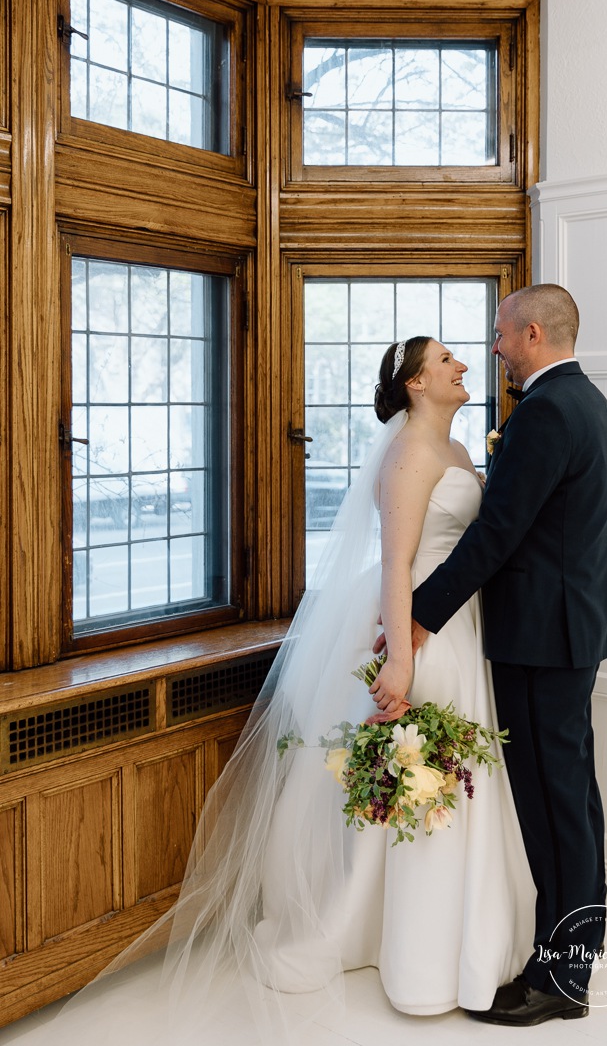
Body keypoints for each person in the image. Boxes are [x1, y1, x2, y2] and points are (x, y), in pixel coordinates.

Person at [5, 335, 533, 1046]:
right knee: (425, 779)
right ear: (414, 383)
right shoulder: (407, 456)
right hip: (418, 629)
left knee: (459, 773)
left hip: (460, 625)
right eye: (444, 362)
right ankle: (415, 952)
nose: (461, 367)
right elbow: (395, 568)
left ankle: (460, 934)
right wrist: (401, 657)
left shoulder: (461, 453)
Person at [371, 284, 607, 1026]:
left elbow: (495, 535)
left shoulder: (545, 412)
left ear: (532, 333)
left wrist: (416, 622)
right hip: (565, 633)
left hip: (542, 641)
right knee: (570, 800)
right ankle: (569, 950)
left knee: (554, 807)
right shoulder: (585, 402)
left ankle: (562, 977)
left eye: (500, 335)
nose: (493, 350)